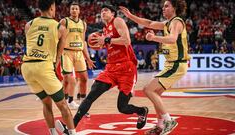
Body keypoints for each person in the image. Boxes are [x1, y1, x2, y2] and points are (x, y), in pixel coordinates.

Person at [56, 4, 148, 134]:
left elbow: (126, 40)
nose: (103, 12)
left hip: (126, 68)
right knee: (90, 97)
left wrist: (106, 39)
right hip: (110, 68)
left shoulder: (118, 21)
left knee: (122, 107)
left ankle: (142, 111)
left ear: (112, 14)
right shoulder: (104, 30)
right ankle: (70, 128)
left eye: (106, 10)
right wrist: (101, 43)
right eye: (101, 11)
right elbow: (109, 43)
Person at [120, 0, 190, 134]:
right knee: (155, 93)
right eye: (163, 6)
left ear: (174, 8)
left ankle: (169, 120)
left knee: (148, 90)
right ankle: (160, 126)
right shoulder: (167, 23)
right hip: (171, 64)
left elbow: (172, 39)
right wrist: (130, 16)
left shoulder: (177, 21)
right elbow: (149, 23)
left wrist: (153, 38)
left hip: (176, 64)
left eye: (166, 6)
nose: (163, 8)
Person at [21, 0, 76, 134]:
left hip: (27, 67)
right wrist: (53, 69)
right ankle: (73, 133)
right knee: (63, 105)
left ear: (39, 8)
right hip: (43, 67)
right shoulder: (60, 28)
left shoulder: (29, 24)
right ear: (52, 7)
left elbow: (30, 44)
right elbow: (58, 56)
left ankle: (52, 133)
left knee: (46, 103)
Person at [59, 2, 95, 110]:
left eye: (76, 9)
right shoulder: (64, 21)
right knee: (68, 79)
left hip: (79, 53)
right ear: (70, 11)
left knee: (84, 78)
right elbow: (58, 38)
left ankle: (84, 105)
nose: (74, 10)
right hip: (67, 52)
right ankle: (68, 101)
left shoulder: (83, 24)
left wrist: (88, 58)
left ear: (79, 11)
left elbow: (83, 41)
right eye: (72, 8)